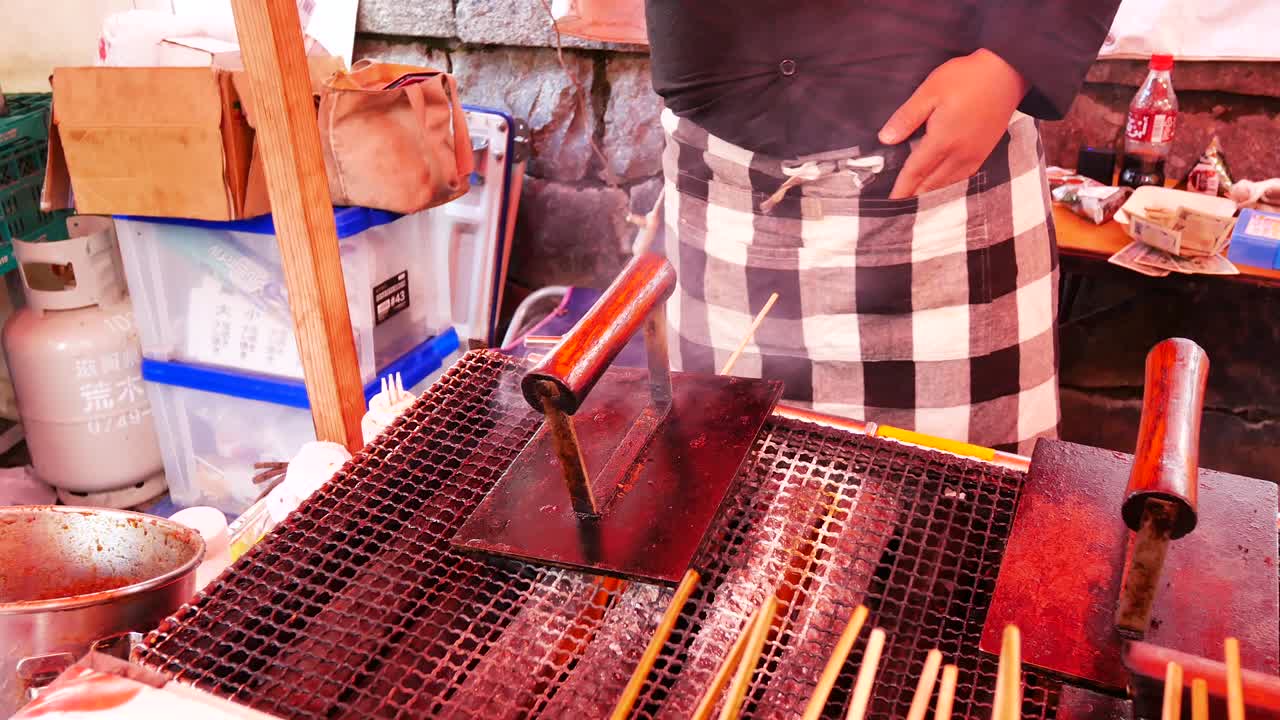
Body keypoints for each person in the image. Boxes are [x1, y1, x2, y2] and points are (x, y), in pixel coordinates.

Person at [645, 1, 1123, 454]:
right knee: (724, 510)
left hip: (951, 186)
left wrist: (1011, 63)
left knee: (973, 516)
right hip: (722, 190)